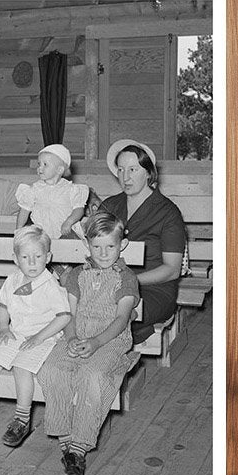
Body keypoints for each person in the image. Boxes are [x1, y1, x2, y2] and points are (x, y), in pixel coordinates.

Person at [37, 211, 141, 475]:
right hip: (77, 334)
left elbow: (121, 319)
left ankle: (80, 447)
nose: (104, 253)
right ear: (87, 246)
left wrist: (95, 343)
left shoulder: (127, 278)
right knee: (51, 369)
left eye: (111, 246)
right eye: (97, 247)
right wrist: (71, 338)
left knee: (92, 376)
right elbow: (68, 314)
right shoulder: (76, 276)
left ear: (122, 245)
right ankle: (65, 440)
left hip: (110, 339)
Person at [0, 225, 72, 448]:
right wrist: (3, 329)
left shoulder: (50, 285)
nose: (32, 263)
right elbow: (3, 307)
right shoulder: (12, 281)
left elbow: (63, 317)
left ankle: (22, 419)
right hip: (16, 333)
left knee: (21, 368)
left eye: (38, 256)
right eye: (25, 257)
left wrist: (39, 337)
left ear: (48, 257)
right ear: (15, 259)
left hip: (44, 335)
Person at [99, 139, 185, 345]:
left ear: (148, 173)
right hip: (107, 284)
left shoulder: (168, 212)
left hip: (153, 288)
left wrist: (130, 282)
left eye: (133, 169)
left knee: (111, 314)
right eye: (120, 169)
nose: (125, 177)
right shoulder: (109, 205)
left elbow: (172, 270)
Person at [14, 143, 89, 241]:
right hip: (42, 233)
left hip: (65, 231)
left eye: (45, 165)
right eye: (39, 164)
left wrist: (69, 222)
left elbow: (78, 210)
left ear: (59, 170)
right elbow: (24, 211)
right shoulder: (34, 189)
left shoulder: (70, 189)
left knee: (71, 241)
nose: (40, 168)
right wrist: (18, 230)